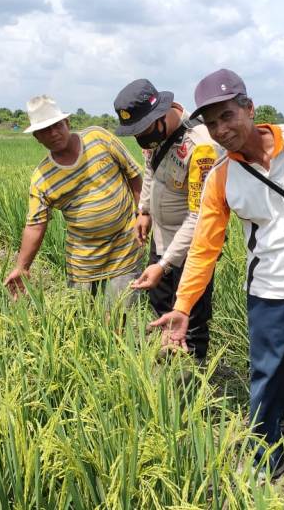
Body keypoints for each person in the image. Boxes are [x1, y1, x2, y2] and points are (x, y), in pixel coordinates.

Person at [149, 69, 284, 496]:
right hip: (266, 291)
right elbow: (204, 248)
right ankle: (265, 458)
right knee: (266, 378)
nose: (222, 130)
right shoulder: (222, 176)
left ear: (249, 107)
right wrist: (183, 308)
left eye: (228, 116)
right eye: (212, 122)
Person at [112, 79, 222, 360]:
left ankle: (191, 381)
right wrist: (144, 211)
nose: (140, 138)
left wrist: (164, 264)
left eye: (143, 129)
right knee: (161, 306)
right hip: (161, 239)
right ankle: (167, 365)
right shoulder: (153, 137)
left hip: (191, 249)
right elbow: (150, 170)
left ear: (160, 116)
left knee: (191, 316)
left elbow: (200, 216)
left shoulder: (201, 147)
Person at [4, 95, 144, 305]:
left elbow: (134, 175)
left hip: (125, 248)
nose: (52, 133)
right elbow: (35, 225)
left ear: (67, 123)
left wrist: (142, 213)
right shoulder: (42, 178)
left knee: (119, 319)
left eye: (56, 125)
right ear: (37, 137)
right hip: (83, 262)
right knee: (84, 322)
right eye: (44, 130)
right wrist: (22, 266)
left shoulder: (99, 138)